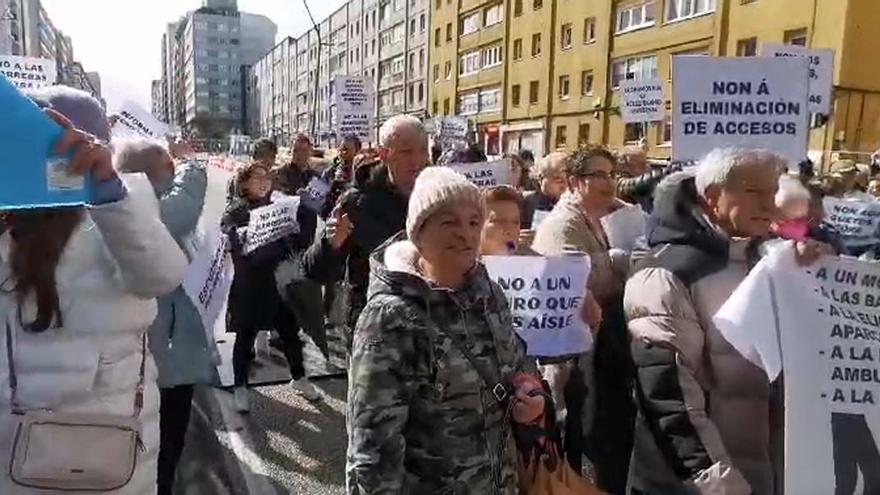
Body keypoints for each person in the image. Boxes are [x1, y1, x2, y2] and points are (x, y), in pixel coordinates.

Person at [0, 86, 188, 494]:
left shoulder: (121, 206)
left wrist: (108, 191)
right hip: (14, 452)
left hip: (108, 453)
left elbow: (164, 275)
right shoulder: (10, 214)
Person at [346, 167, 539, 494]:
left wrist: (531, 392)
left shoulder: (490, 294)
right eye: (448, 222)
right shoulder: (391, 318)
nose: (465, 233)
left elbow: (518, 363)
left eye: (474, 222)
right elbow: (373, 451)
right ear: (418, 233)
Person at [624, 148, 789, 495]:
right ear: (713, 197)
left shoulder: (775, 264)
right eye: (754, 191)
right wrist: (721, 484)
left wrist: (817, 273)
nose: (769, 203)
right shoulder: (664, 274)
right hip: (695, 485)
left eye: (774, 190)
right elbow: (668, 396)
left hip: (763, 476)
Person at [113, 138, 217, 495]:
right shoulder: (143, 213)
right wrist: (191, 161)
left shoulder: (116, 208)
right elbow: (186, 203)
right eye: (169, 167)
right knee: (162, 448)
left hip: (150, 356)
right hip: (162, 361)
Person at [531, 145, 634, 492]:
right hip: (571, 362)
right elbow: (576, 280)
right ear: (575, 182)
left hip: (597, 352)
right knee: (576, 443)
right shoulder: (563, 224)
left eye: (612, 174)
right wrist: (622, 260)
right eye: (599, 175)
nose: (609, 183)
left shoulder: (602, 219)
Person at [303, 115, 429, 343]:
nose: (417, 160)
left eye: (423, 150)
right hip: (372, 332)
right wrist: (331, 244)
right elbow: (314, 270)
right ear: (384, 155)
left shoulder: (439, 198)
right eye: (406, 151)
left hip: (427, 330)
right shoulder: (357, 203)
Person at [223, 163, 318, 412]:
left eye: (267, 177)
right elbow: (231, 239)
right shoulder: (236, 211)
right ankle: (240, 387)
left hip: (278, 283)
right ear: (244, 184)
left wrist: (304, 206)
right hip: (251, 285)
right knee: (245, 339)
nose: (264, 181)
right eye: (257, 177)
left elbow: (303, 234)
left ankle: (299, 378)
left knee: (290, 335)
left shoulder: (279, 206)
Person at [615, 147, 683, 213]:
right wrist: (666, 172)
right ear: (626, 167)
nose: (648, 166)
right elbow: (633, 185)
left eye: (647, 162)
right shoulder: (619, 183)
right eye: (642, 164)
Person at [521, 152, 568, 229]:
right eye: (558, 180)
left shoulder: (577, 206)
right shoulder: (525, 202)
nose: (564, 185)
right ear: (541, 178)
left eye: (568, 179)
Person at [227, 138, 276, 205]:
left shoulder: (274, 178)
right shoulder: (240, 178)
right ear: (255, 157)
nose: (271, 161)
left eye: (273, 157)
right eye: (265, 156)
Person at [772, 173, 813, 242]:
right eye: (787, 220)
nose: (797, 225)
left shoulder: (810, 229)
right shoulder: (773, 232)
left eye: (801, 218)